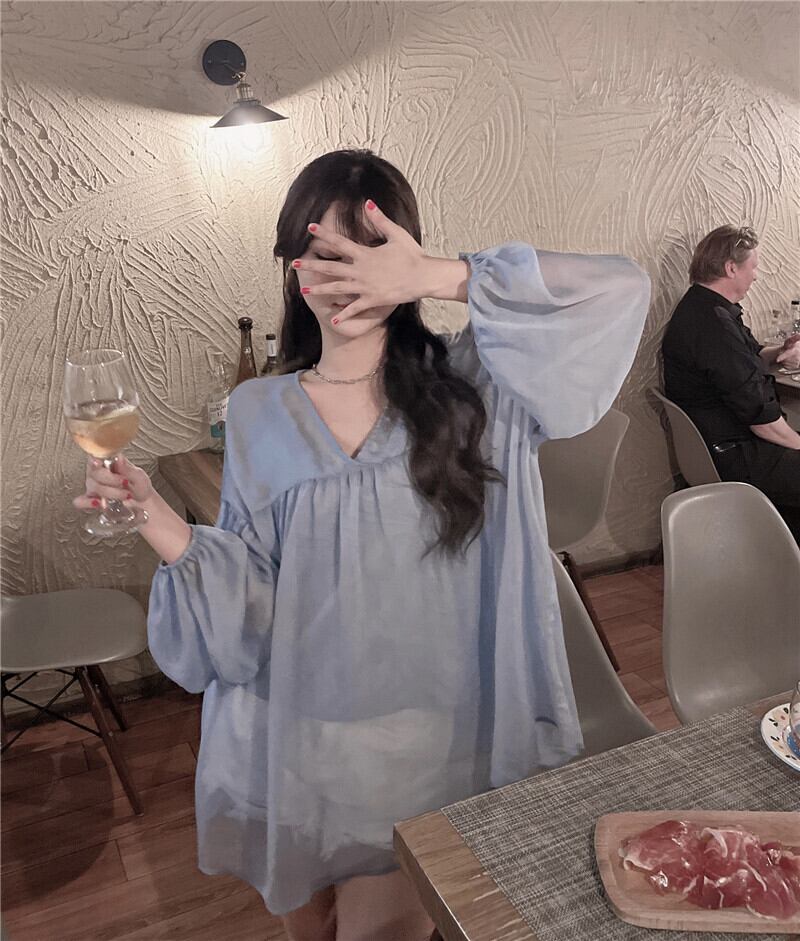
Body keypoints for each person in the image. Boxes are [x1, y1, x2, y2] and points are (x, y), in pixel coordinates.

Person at [75, 150, 650, 941]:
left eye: (370, 251)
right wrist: (152, 515)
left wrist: (444, 276)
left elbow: (618, 291)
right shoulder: (258, 410)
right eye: (325, 251)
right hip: (293, 742)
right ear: (295, 268)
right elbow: (251, 599)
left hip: (428, 748)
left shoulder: (478, 388)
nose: (349, 275)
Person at [662, 225, 800, 541]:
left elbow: (749, 357)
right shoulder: (713, 326)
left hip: (720, 444)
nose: (756, 275)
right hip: (734, 453)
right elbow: (762, 422)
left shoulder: (703, 308)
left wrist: (781, 351)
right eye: (753, 266)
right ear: (731, 268)